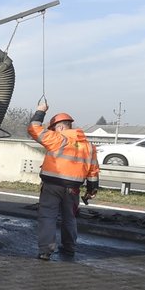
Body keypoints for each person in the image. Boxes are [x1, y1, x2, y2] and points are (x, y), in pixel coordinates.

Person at [28, 100, 99, 260]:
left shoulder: (58, 139)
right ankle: (69, 248)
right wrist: (91, 190)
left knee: (47, 216)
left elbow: (33, 128)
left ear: (59, 127)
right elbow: (93, 170)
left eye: (53, 129)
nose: (52, 131)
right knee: (69, 218)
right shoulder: (88, 146)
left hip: (52, 186)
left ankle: (45, 251)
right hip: (73, 189)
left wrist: (40, 110)